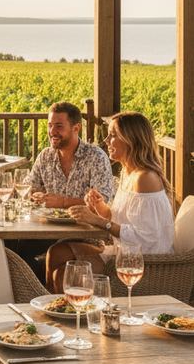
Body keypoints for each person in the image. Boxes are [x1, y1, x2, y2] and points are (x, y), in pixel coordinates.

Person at [44, 111, 175, 292]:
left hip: (143, 263)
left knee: (63, 274)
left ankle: (69, 313)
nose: (106, 140)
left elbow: (147, 238)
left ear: (131, 140)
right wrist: (100, 207)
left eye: (113, 135)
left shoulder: (145, 179)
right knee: (56, 252)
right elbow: (121, 220)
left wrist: (97, 220)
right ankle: (57, 309)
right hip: (122, 251)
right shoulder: (128, 173)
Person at [30, 101, 114, 209]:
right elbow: (28, 188)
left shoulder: (96, 157)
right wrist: (36, 195)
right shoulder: (45, 156)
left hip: (86, 224)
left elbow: (104, 202)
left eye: (59, 126)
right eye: (50, 125)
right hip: (49, 223)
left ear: (76, 128)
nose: (52, 131)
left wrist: (63, 202)